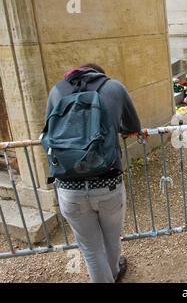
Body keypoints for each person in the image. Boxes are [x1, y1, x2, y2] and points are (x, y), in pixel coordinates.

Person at [45, 64, 141, 283]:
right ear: (99, 74)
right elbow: (133, 125)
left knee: (91, 249)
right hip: (108, 181)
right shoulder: (114, 87)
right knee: (112, 240)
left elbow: (48, 132)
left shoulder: (57, 91)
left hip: (70, 186)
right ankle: (114, 273)